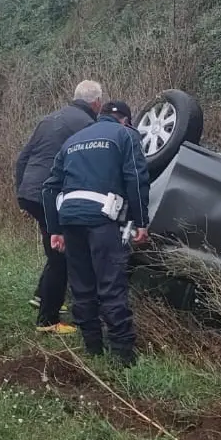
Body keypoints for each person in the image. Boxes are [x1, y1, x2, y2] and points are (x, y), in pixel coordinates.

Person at [42, 100, 150, 367]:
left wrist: (55, 229)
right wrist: (141, 222)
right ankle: (123, 356)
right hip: (102, 220)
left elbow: (49, 188)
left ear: (99, 116)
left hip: (70, 219)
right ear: (125, 120)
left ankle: (92, 348)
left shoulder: (72, 141)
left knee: (82, 286)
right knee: (111, 286)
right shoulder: (125, 135)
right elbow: (136, 178)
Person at [14, 80, 104, 334]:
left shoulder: (49, 119)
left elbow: (23, 158)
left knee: (55, 250)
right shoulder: (88, 125)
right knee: (62, 256)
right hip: (53, 194)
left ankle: (42, 296)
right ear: (96, 103)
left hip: (32, 192)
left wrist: (22, 194)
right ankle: (48, 320)